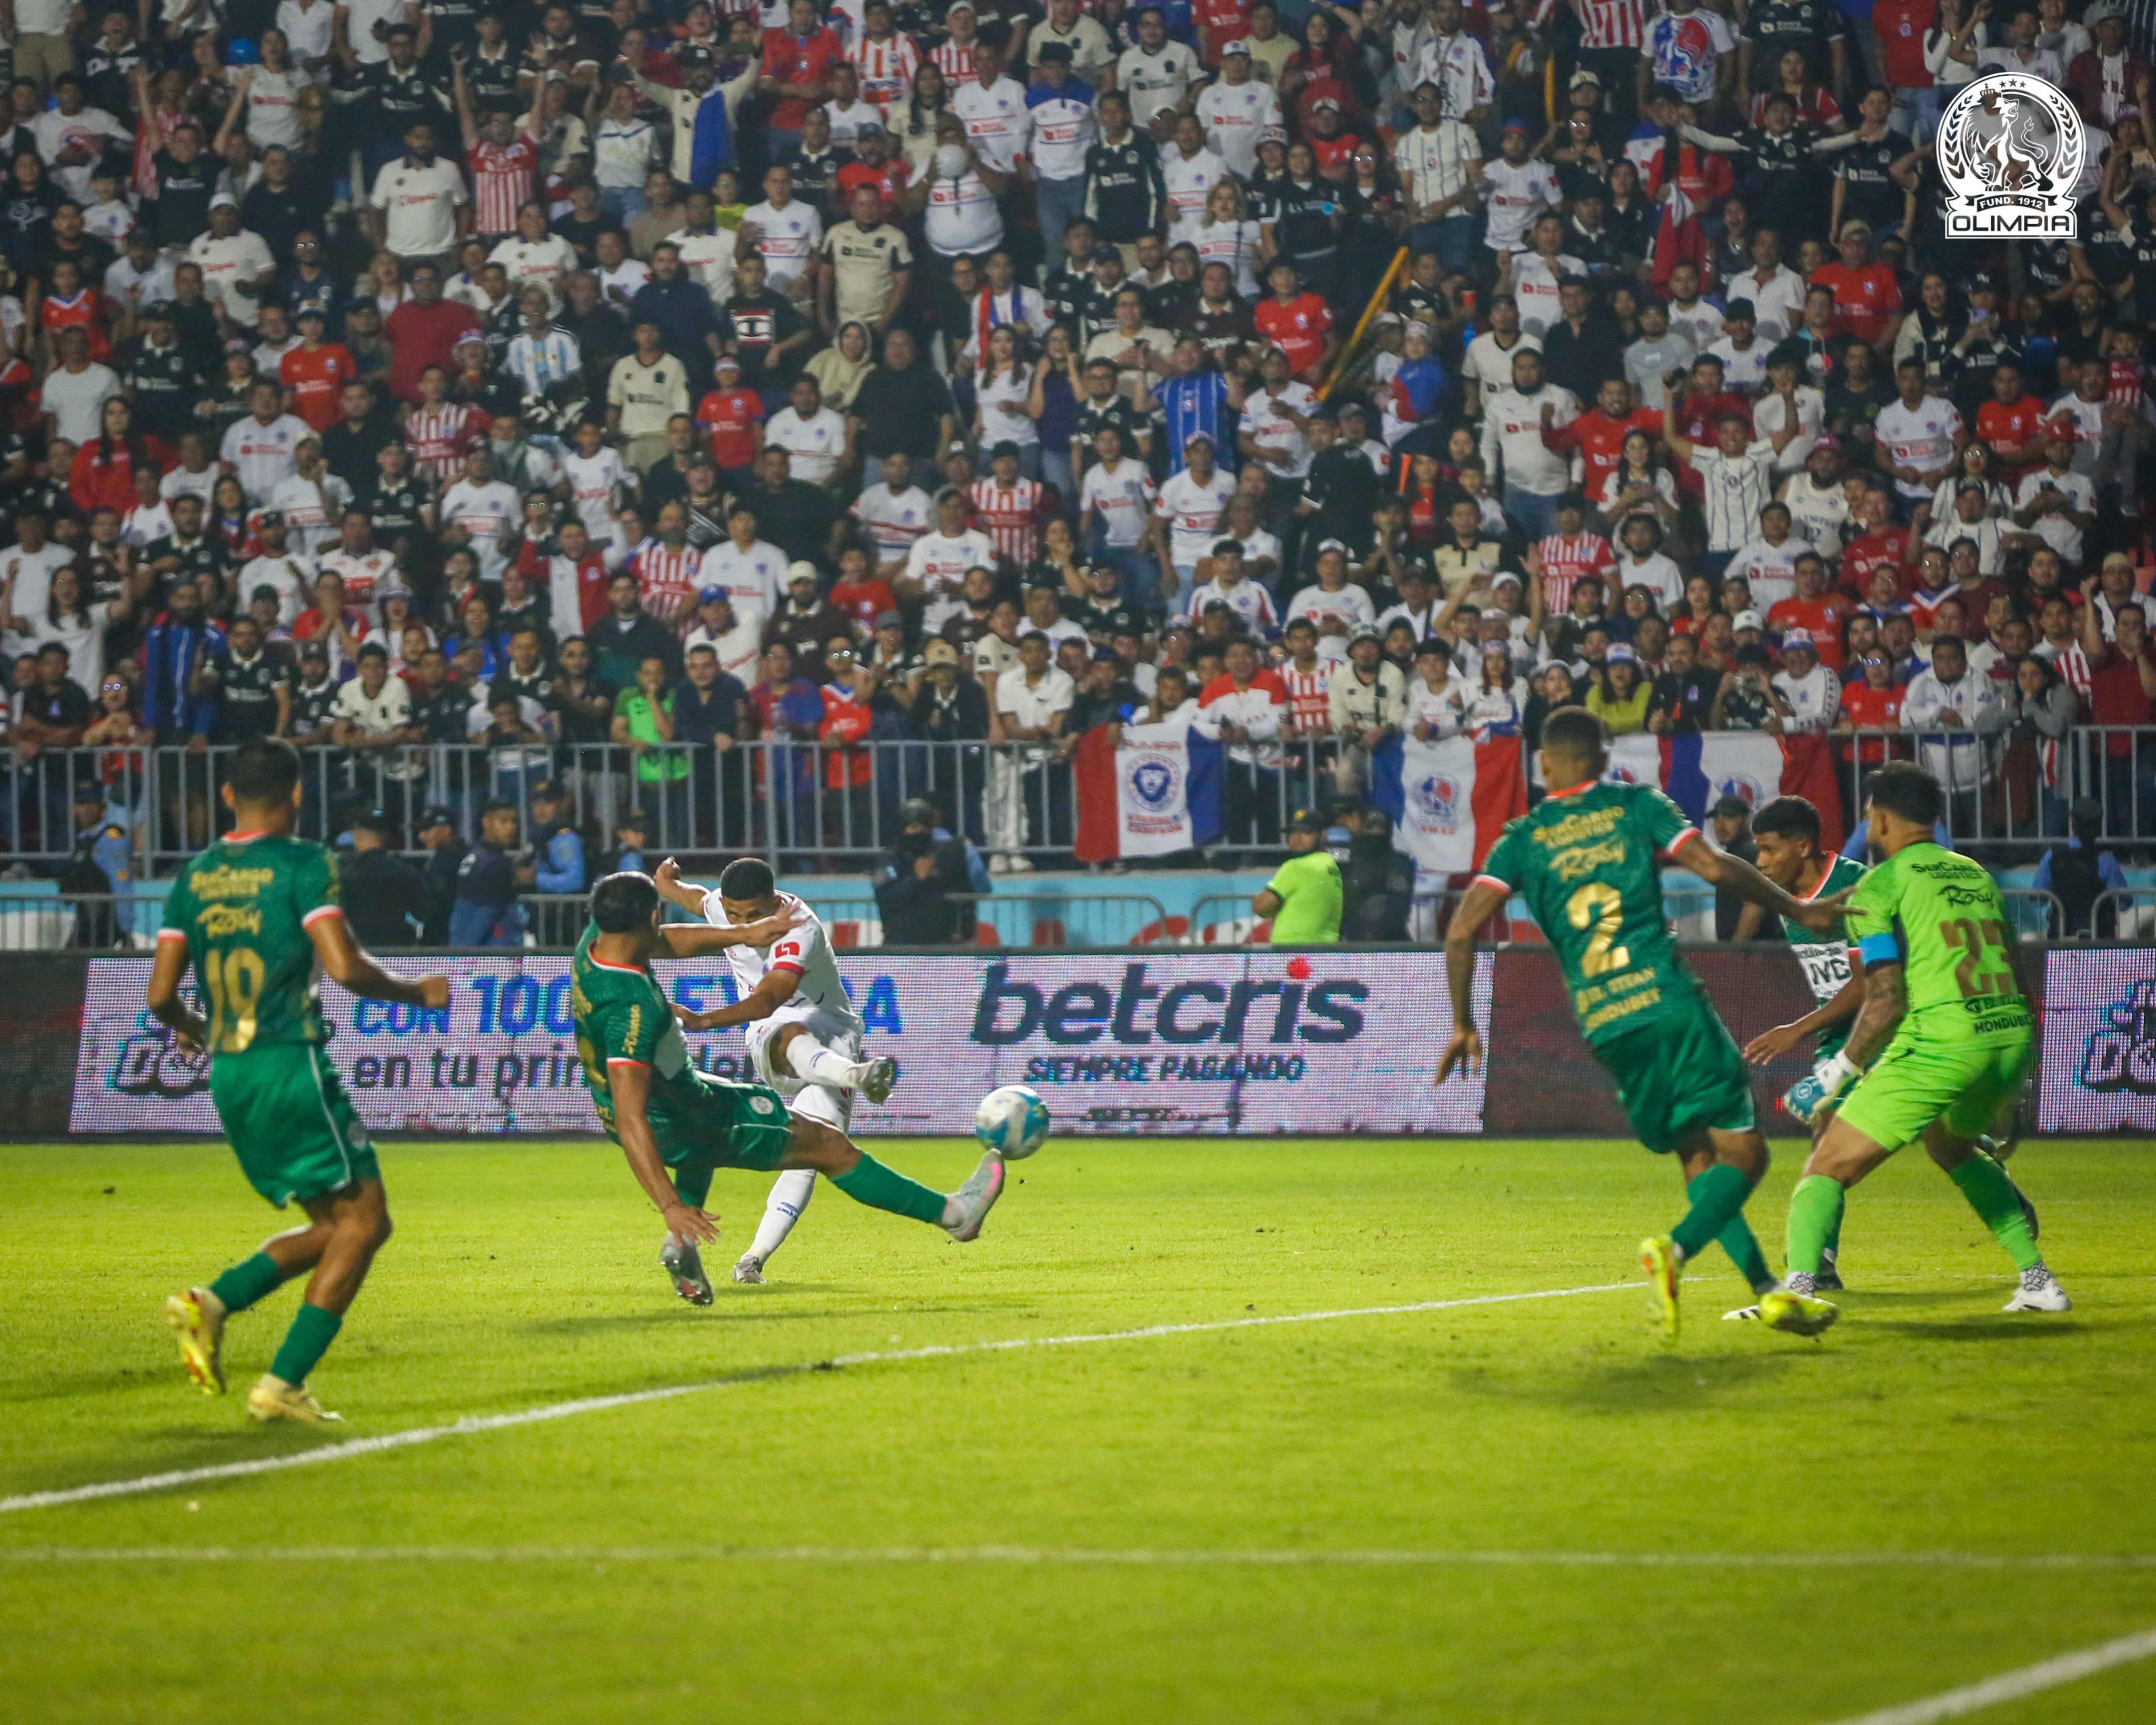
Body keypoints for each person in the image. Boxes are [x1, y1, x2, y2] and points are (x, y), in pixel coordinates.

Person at [1438, 707, 1851, 1339]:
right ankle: (1674, 1251)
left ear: (1543, 764)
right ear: (1605, 759)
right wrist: (1800, 909)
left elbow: (1461, 930)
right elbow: (1715, 867)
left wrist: (1462, 1022)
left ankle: (1768, 1291)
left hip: (1606, 1024)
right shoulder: (1636, 804)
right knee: (1746, 1155)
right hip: (1667, 1001)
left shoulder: (1520, 838)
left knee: (1696, 1154)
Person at [148, 739, 451, 1425]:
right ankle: (282, 1381)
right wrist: (415, 991)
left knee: (338, 1225)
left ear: (228, 795)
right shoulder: (304, 862)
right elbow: (343, 967)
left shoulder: (195, 875)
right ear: (296, 795)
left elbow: (161, 995)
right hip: (290, 1060)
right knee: (366, 1222)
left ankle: (211, 1304)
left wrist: (199, 1028)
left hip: (230, 1072)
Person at [577, 866, 1005, 1304]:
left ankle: (682, 1247)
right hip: (673, 1116)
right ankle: (957, 1215)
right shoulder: (633, 1007)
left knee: (712, 1134)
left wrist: (730, 927)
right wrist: (671, 1206)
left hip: (672, 1097)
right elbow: (632, 1117)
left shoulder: (593, 947)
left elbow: (672, 939)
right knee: (827, 1146)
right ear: (652, 918)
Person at [1762, 761, 2069, 1334]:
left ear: (1880, 819)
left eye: (1868, 817)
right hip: (2011, 1035)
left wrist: (1834, 1073)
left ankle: (1798, 1291)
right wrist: (2018, 1070)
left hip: (1942, 1040)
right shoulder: (1975, 874)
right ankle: (2038, 1283)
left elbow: (1885, 998)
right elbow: (2018, 972)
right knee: (1951, 1146)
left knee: (1825, 1165)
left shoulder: (1880, 885)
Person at [874, 795, 972, 944]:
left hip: (940, 944)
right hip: (901, 944)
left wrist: (964, 929)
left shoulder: (944, 855)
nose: (921, 833)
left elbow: (963, 894)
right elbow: (887, 899)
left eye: (926, 828)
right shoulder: (890, 859)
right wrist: (916, 878)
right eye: (914, 828)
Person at [340, 807, 428, 948]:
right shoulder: (406, 871)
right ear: (386, 837)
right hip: (398, 952)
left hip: (360, 951)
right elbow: (422, 912)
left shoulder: (347, 874)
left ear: (358, 837)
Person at [1253, 806, 1343, 943]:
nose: (1297, 838)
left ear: (1323, 835)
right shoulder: (1331, 866)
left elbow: (1261, 906)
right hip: (1326, 949)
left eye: (1307, 832)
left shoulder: (1298, 866)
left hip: (1294, 949)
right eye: (1293, 832)